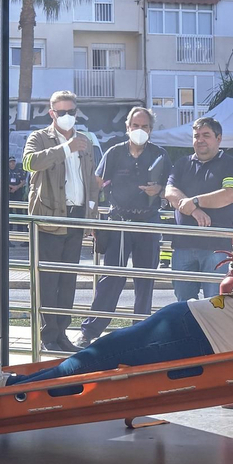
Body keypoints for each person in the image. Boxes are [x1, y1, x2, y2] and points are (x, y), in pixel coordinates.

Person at [6, 262, 233, 387]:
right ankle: (18, 383)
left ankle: (13, 387)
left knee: (103, 355)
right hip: (190, 322)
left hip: (195, 334)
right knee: (103, 351)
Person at [78, 106, 168, 346]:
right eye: (136, 126)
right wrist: (92, 214)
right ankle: (90, 331)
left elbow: (169, 187)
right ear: (127, 127)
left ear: (151, 129)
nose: (140, 130)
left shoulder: (160, 154)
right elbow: (96, 184)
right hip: (119, 221)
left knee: (145, 279)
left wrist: (159, 190)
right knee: (112, 278)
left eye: (145, 126)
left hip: (148, 222)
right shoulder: (114, 152)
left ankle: (139, 333)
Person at [22, 90, 102, 352]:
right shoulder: (40, 137)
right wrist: (65, 148)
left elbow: (90, 179)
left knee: (68, 280)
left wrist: (91, 213)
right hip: (49, 215)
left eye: (72, 111)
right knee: (48, 280)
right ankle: (48, 336)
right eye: (62, 111)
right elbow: (29, 162)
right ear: (51, 112)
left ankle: (62, 335)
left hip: (76, 216)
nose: (68, 116)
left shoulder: (85, 141)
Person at [162, 117, 233, 302]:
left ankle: (209, 333)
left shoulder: (230, 164)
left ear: (219, 138)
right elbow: (169, 191)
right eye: (196, 135)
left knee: (215, 304)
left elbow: (229, 194)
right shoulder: (183, 163)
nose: (200, 140)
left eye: (206, 135)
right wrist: (194, 209)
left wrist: (196, 201)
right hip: (183, 245)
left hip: (216, 248)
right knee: (183, 304)